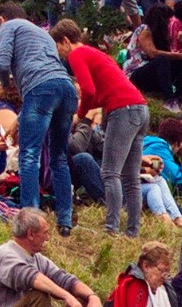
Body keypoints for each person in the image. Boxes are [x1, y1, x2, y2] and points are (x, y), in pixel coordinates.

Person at [0, 0, 84, 235]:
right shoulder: (43, 33)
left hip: (40, 88)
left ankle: (30, 218)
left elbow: (2, 62)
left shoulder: (8, 27)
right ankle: (64, 219)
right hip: (66, 88)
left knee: (30, 154)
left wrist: (5, 85)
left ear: (2, 19)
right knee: (59, 157)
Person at [65, 17, 157, 236]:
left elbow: (87, 90)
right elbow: (102, 92)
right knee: (131, 176)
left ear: (65, 41)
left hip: (122, 110)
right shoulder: (97, 53)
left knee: (110, 173)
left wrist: (79, 114)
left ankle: (111, 228)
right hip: (140, 108)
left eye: (59, 48)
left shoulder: (76, 54)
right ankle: (132, 230)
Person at [0, 208, 110, 307]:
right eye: (45, 233)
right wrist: (68, 297)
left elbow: (66, 280)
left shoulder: (37, 258)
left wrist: (92, 296)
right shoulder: (3, 254)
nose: (48, 238)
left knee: (84, 301)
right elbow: (32, 278)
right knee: (37, 294)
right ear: (31, 234)